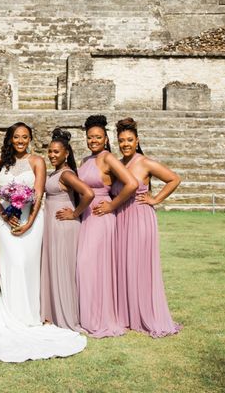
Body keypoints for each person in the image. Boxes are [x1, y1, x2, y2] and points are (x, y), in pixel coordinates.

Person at [0, 122, 87, 362]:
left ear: (30, 139)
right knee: (10, 265)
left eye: (25, 137)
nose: (20, 141)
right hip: (5, 220)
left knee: (26, 265)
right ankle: (9, 311)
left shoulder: (37, 161)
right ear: (10, 138)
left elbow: (39, 192)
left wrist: (30, 221)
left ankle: (29, 315)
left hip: (32, 219)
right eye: (16, 137)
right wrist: (1, 212)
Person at [113, 117, 182, 337]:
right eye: (122, 140)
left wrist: (156, 199)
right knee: (124, 266)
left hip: (140, 217)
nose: (125, 144)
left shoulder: (144, 162)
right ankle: (128, 315)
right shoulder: (118, 163)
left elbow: (173, 179)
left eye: (130, 140)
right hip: (121, 218)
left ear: (137, 140)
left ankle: (146, 314)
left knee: (140, 265)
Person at [77, 115, 137, 338]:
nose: (93, 140)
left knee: (88, 264)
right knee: (85, 266)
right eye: (90, 137)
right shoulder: (84, 161)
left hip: (101, 217)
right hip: (85, 216)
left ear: (105, 139)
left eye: (98, 137)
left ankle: (100, 317)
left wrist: (112, 205)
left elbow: (131, 184)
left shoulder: (108, 158)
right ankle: (87, 315)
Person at [41, 128, 93, 332]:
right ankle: (53, 312)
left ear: (66, 154)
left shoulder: (67, 174)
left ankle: (68, 315)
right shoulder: (55, 172)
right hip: (53, 225)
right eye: (50, 152)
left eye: (56, 152)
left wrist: (75, 213)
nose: (52, 155)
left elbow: (88, 193)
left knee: (64, 269)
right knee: (55, 267)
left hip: (64, 227)